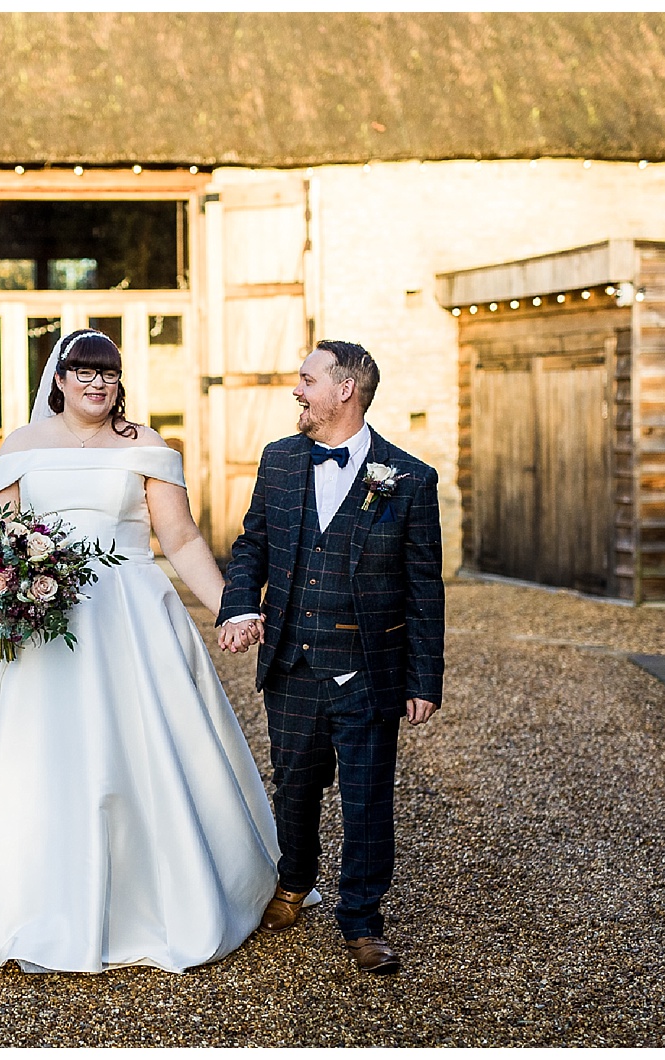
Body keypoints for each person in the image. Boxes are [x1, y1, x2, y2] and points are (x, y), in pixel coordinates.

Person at [0, 329, 294, 974]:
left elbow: (182, 539)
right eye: (82, 372)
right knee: (24, 750)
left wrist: (232, 607)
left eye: (107, 374)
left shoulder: (147, 448)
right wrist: (11, 583)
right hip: (38, 615)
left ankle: (159, 895)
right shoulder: (20, 448)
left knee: (140, 746)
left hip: (129, 612)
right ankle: (12, 894)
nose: (96, 383)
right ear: (57, 379)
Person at [215, 339, 445, 975]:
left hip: (369, 669)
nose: (298, 388)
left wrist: (425, 676)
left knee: (368, 796)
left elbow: (425, 586)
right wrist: (238, 607)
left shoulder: (411, 478)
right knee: (294, 784)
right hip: (292, 662)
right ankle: (293, 883)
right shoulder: (281, 461)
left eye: (308, 379)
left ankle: (363, 921)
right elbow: (252, 544)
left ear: (345, 390)